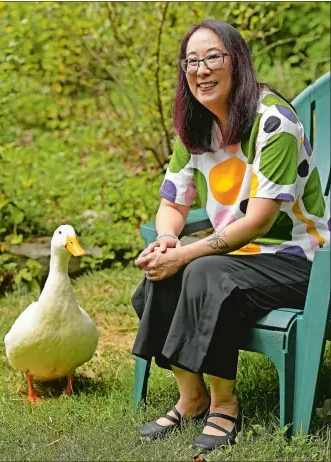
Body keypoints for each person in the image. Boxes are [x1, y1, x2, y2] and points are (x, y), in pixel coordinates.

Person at [131, 19, 330, 453]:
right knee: (160, 276)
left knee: (202, 272)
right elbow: (173, 203)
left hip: (299, 262)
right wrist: (167, 239)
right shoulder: (195, 126)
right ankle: (192, 397)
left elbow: (258, 222)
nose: (201, 69)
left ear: (236, 62)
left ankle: (224, 406)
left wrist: (185, 255)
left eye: (213, 57)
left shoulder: (273, 121)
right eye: (192, 61)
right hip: (236, 257)